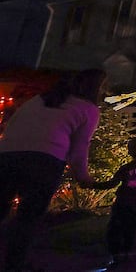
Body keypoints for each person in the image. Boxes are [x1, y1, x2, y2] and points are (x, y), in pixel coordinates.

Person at [0, 68, 107, 272]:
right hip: (44, 161)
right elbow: (79, 147)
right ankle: (15, 265)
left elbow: (12, 125)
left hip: (7, 156)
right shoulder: (88, 109)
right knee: (27, 217)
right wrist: (83, 177)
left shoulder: (39, 100)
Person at [89, 135, 136, 267]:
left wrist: (92, 184)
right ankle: (127, 253)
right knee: (132, 227)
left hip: (123, 202)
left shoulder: (127, 168)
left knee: (115, 227)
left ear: (130, 151)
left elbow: (112, 184)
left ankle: (115, 253)